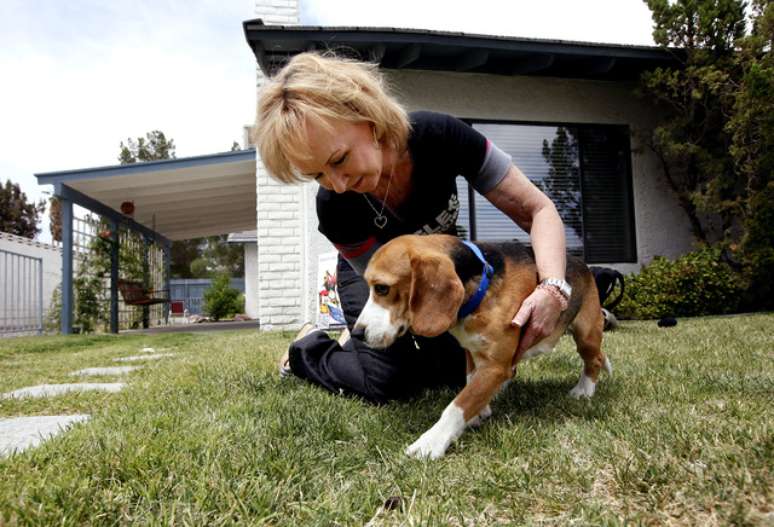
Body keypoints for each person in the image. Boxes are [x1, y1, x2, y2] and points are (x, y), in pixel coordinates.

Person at [254, 52, 571, 404]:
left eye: (339, 159)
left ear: (366, 116)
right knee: (386, 382)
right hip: (375, 278)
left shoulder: (441, 136)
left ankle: (357, 343)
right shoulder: (333, 207)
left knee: (454, 373)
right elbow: (386, 293)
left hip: (435, 271)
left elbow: (538, 209)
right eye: (318, 175)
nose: (338, 184)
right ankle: (306, 350)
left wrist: (554, 287)